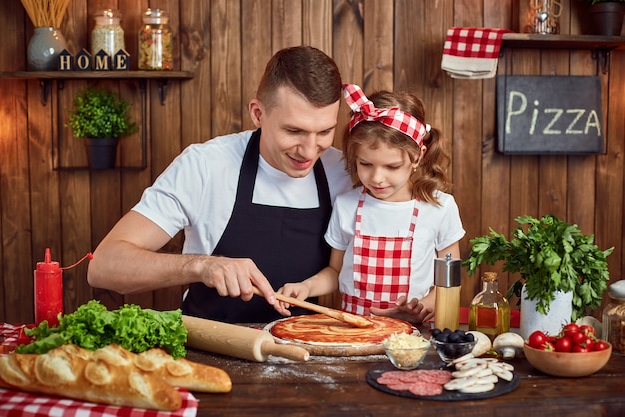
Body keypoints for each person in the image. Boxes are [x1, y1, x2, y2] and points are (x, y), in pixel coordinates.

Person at [87, 46, 352, 323]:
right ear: (258, 114)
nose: (310, 151)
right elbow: (104, 266)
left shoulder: (344, 172)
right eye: (294, 131)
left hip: (303, 351)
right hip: (208, 352)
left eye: (324, 132)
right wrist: (202, 265)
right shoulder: (205, 165)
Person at [277, 84, 465, 324]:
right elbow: (335, 272)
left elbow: (450, 284)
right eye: (365, 164)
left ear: (418, 157)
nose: (377, 178)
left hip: (412, 336)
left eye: (392, 167)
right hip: (354, 332)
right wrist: (305, 287)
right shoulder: (347, 205)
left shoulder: (440, 208)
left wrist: (424, 306)